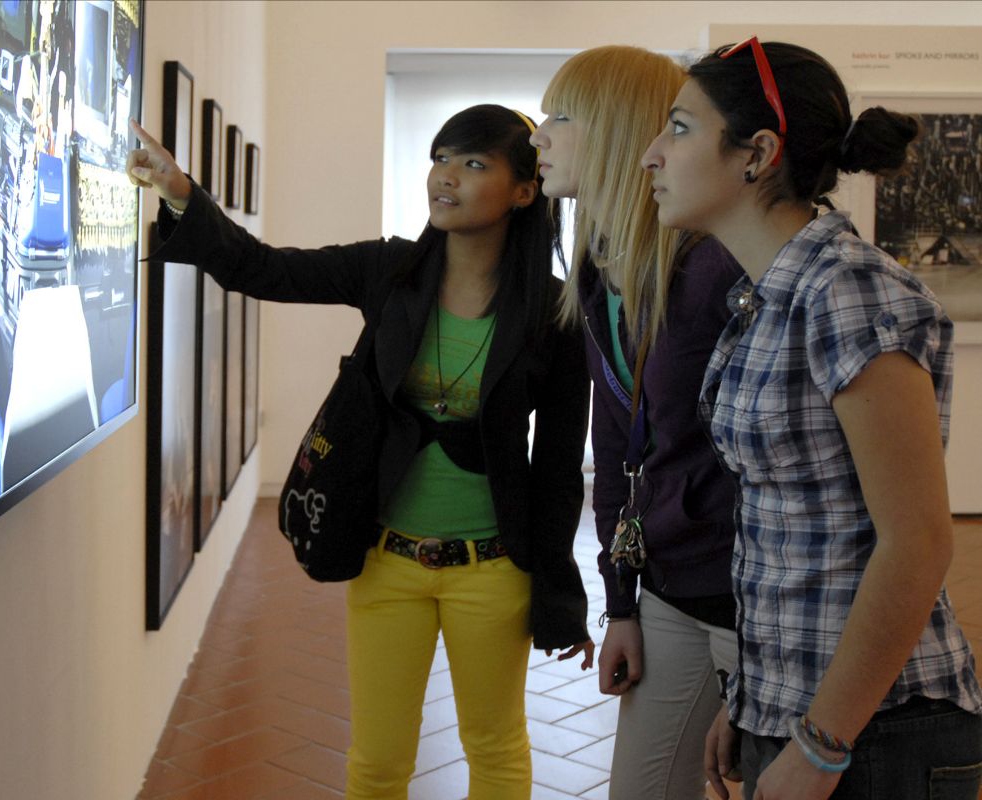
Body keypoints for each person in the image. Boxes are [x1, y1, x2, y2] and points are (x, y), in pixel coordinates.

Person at [126, 104, 594, 800]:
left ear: (525, 190)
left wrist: (561, 592)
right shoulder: (390, 272)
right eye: (441, 158)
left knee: (495, 750)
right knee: (376, 763)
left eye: (473, 163)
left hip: (492, 570)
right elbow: (264, 269)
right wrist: (181, 193)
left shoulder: (554, 313)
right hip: (389, 563)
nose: (447, 178)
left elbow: (558, 468)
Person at [640, 37, 982, 800]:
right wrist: (753, 704)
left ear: (757, 153)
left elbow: (918, 541)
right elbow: (785, 530)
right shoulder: (766, 297)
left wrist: (823, 743)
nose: (652, 156)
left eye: (682, 128)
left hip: (880, 732)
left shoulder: (848, 291)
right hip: (799, 712)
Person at [530, 46, 745, 799]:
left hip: (755, 598)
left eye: (560, 116)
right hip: (669, 591)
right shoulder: (598, 269)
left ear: (621, 130)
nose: (539, 136)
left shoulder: (716, 268)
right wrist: (620, 602)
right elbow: (618, 449)